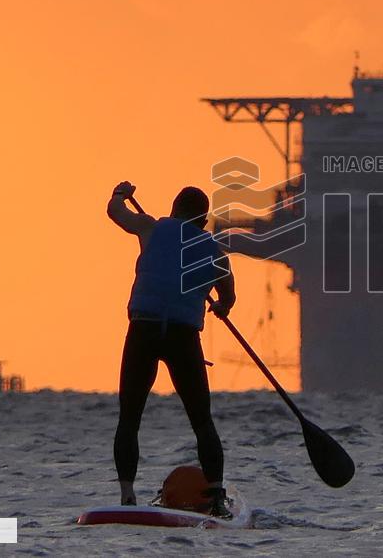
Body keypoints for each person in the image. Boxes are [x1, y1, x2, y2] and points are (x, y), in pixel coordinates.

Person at [107, 181, 236, 519]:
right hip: (183, 338)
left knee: (129, 418)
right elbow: (228, 297)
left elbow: (115, 212)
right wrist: (222, 307)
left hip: (144, 332)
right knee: (202, 422)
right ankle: (217, 498)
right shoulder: (216, 254)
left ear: (174, 211)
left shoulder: (151, 227)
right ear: (204, 222)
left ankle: (126, 497)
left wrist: (120, 194)